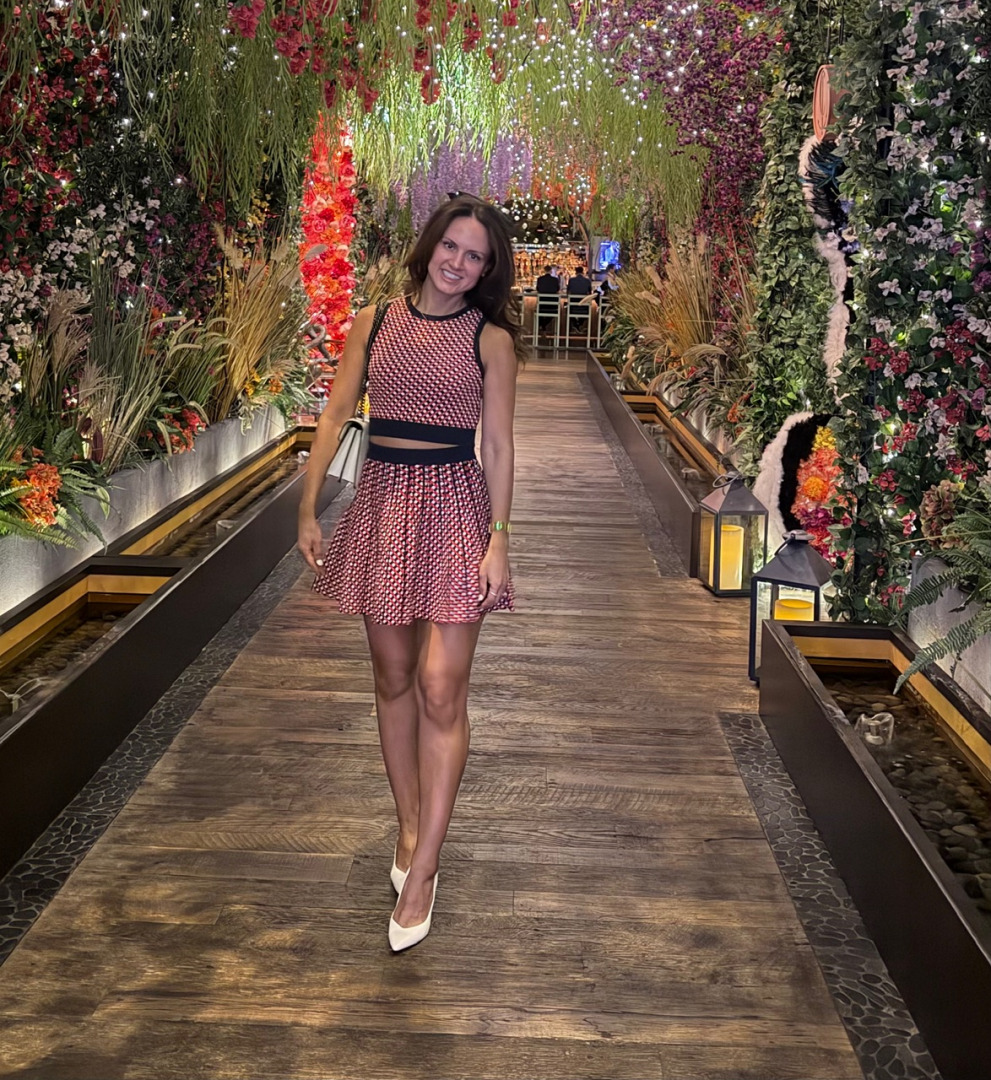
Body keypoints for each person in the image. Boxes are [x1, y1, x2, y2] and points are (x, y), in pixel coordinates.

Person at [297, 195, 524, 952]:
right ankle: (407, 826)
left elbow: (498, 446)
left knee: (440, 687)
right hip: (384, 505)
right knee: (392, 679)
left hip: (457, 508)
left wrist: (499, 539)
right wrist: (308, 507)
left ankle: (425, 866)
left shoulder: (491, 340)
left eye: (475, 256)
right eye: (451, 247)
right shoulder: (374, 321)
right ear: (430, 246)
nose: (458, 263)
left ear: (487, 271)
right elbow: (335, 415)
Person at [535, 263, 560, 335]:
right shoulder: (555, 280)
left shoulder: (540, 279)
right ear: (551, 271)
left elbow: (538, 289)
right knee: (554, 312)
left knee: (538, 312)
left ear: (544, 270)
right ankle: (543, 325)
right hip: (553, 305)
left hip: (541, 305)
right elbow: (557, 289)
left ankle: (542, 325)